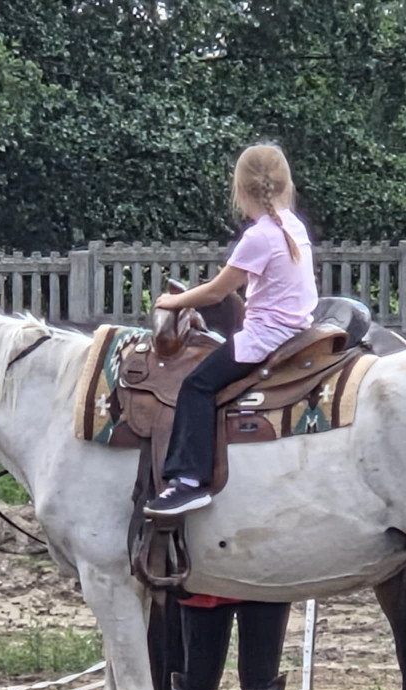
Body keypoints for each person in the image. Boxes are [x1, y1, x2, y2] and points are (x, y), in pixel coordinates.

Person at [144, 143, 318, 516]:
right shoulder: (291, 225)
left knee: (197, 385)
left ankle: (188, 482)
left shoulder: (260, 236)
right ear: (284, 185)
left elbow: (219, 290)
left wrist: (174, 302)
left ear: (239, 190)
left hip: (266, 336)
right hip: (298, 327)